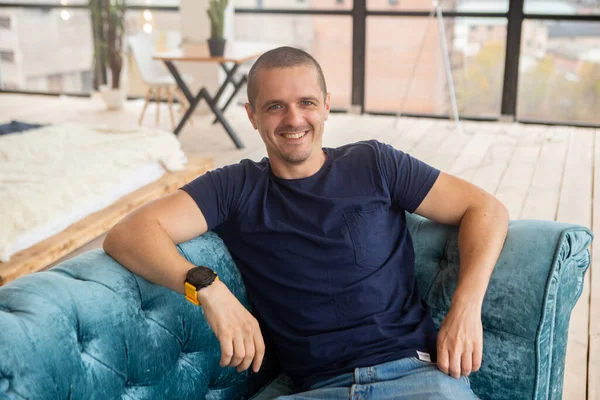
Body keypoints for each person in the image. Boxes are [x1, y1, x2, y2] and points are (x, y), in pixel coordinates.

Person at [104, 46, 509, 399]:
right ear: (252, 116)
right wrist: (207, 288)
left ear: (327, 105)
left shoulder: (375, 163)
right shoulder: (236, 186)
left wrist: (465, 307)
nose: (293, 119)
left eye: (307, 103)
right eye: (275, 106)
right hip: (316, 388)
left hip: (415, 377)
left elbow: (487, 210)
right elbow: (127, 234)